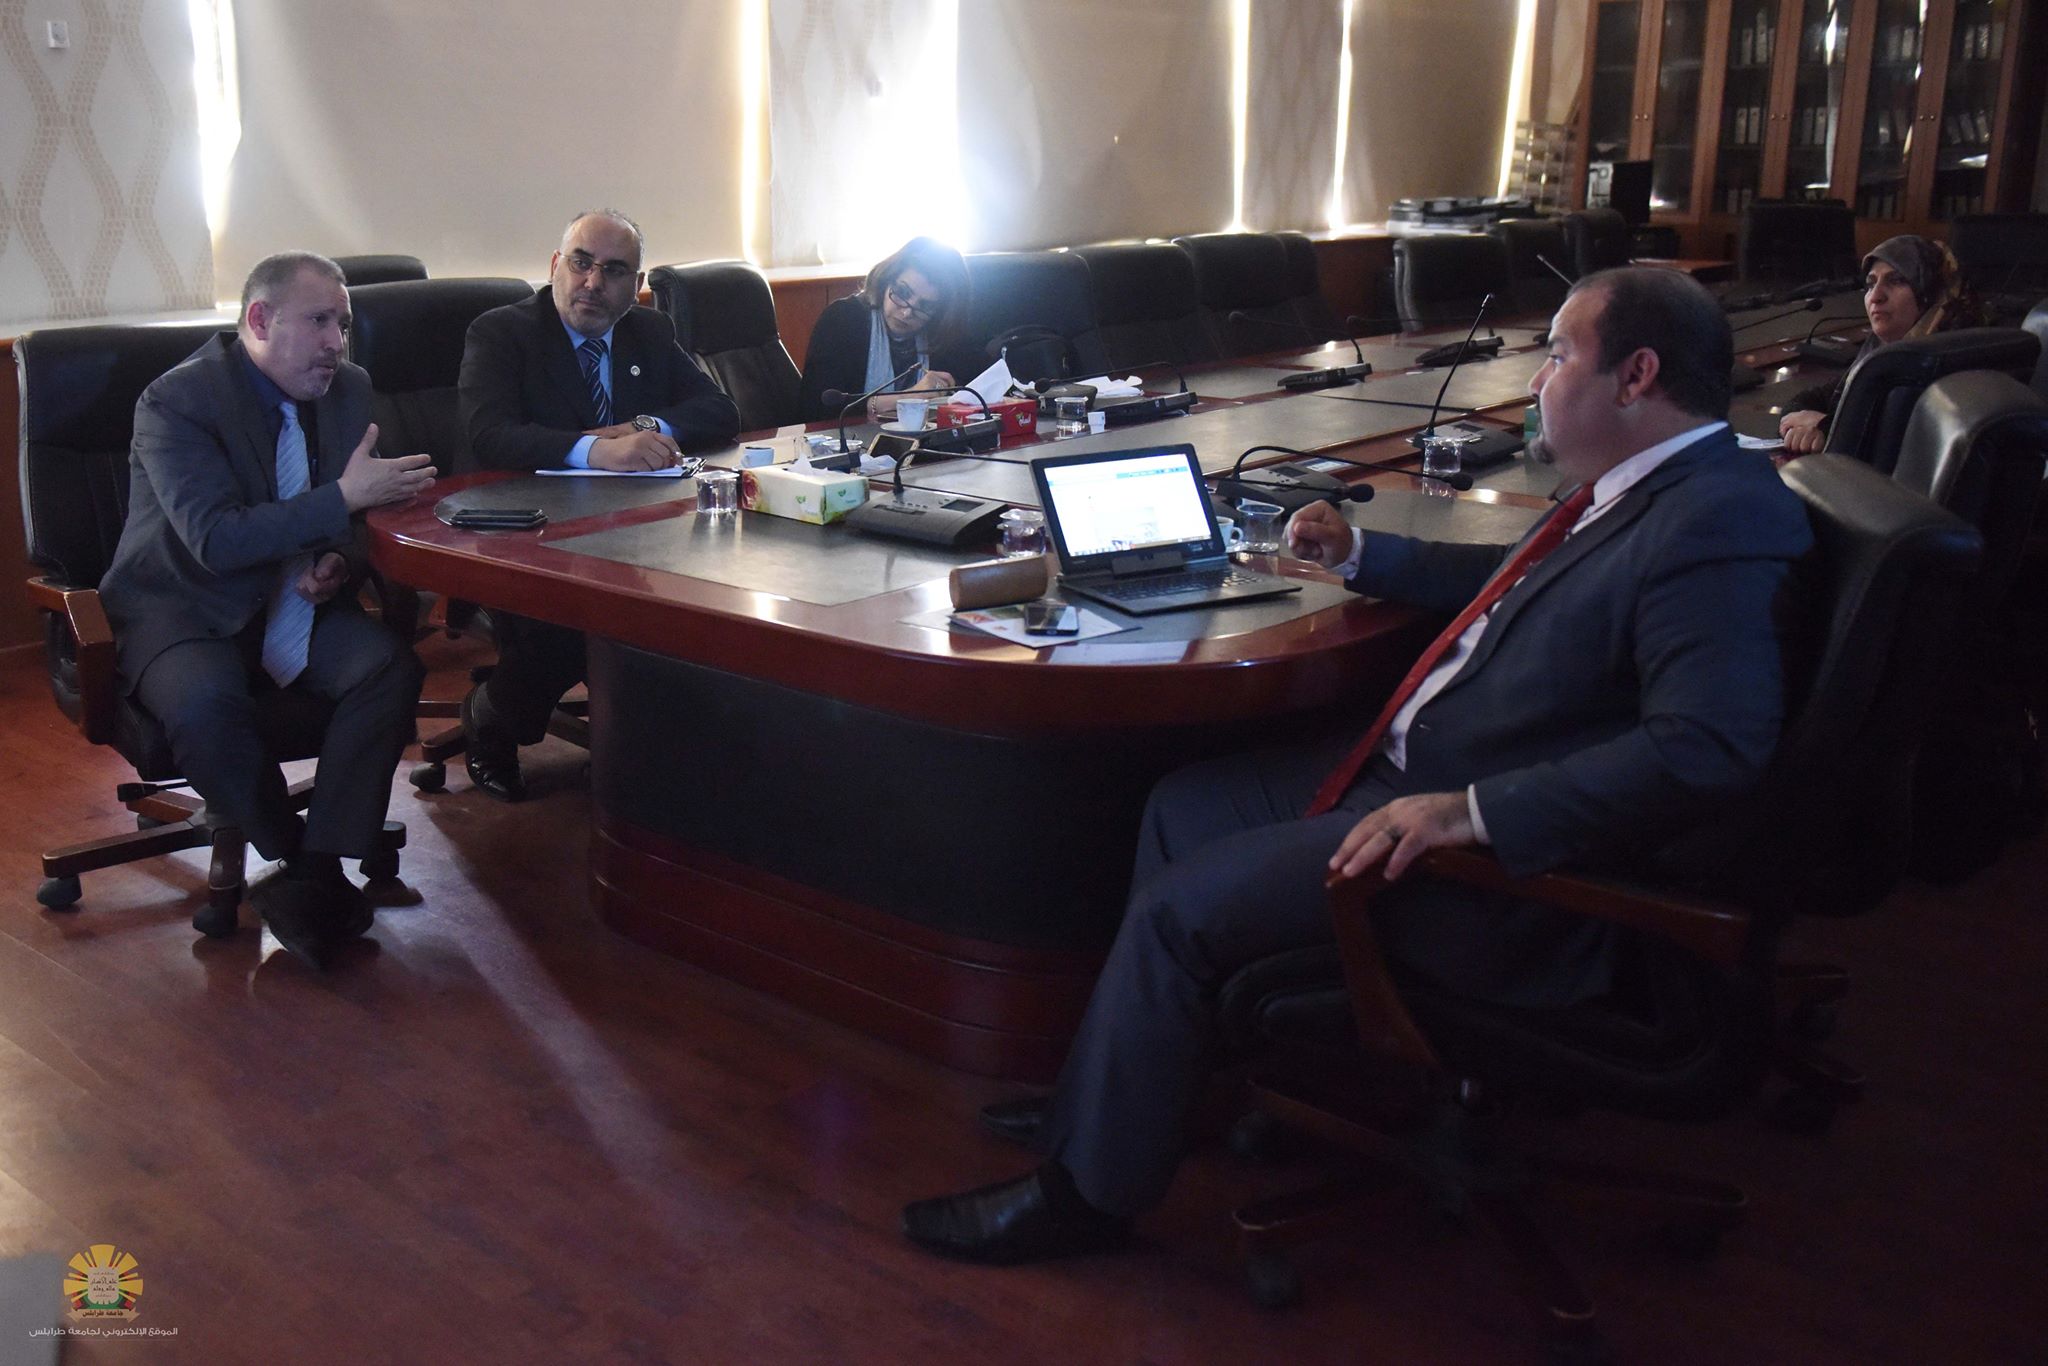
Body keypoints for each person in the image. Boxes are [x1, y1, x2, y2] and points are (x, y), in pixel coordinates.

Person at [900, 267, 1815, 1264]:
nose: (1539, 378)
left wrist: (1469, 811)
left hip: (1492, 871)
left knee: (1177, 913)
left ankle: (1085, 1193)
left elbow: (1709, 748)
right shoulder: (1644, 489)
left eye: (1558, 355)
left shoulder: (1716, 517)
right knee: (1180, 807)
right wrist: (1358, 554)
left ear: (1634, 377)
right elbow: (1519, 585)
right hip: (1412, 777)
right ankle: (1138, 1094)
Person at [99, 252, 437, 968]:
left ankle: (317, 868)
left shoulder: (349, 389)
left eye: (342, 324)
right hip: (182, 606)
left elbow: (360, 516)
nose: (335, 342)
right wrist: (343, 500)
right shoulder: (176, 401)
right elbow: (216, 539)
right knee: (206, 706)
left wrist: (339, 559)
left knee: (388, 668)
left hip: (296, 599)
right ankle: (287, 850)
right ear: (259, 319)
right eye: (318, 322)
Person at [456, 210, 740, 801]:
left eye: (613, 271)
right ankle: (490, 718)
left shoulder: (649, 332)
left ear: (635, 285)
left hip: (634, 528)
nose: (592, 283)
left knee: (699, 604)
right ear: (555, 266)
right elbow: (490, 435)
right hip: (524, 530)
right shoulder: (502, 332)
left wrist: (644, 425)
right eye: (581, 263)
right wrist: (596, 451)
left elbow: (720, 410)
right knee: (572, 623)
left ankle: (643, 749)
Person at [1778, 235, 1983, 454]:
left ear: (1932, 291)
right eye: (1870, 284)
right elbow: (1814, 398)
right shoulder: (1880, 353)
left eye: (1896, 281)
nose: (1875, 296)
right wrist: (1798, 421)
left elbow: (1900, 447)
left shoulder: (1947, 367)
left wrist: (1828, 430)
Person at [797, 236, 970, 422]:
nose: (906, 312)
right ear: (887, 279)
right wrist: (910, 397)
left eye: (925, 306)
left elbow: (970, 394)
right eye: (903, 293)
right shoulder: (843, 319)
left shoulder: (941, 336)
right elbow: (817, 408)